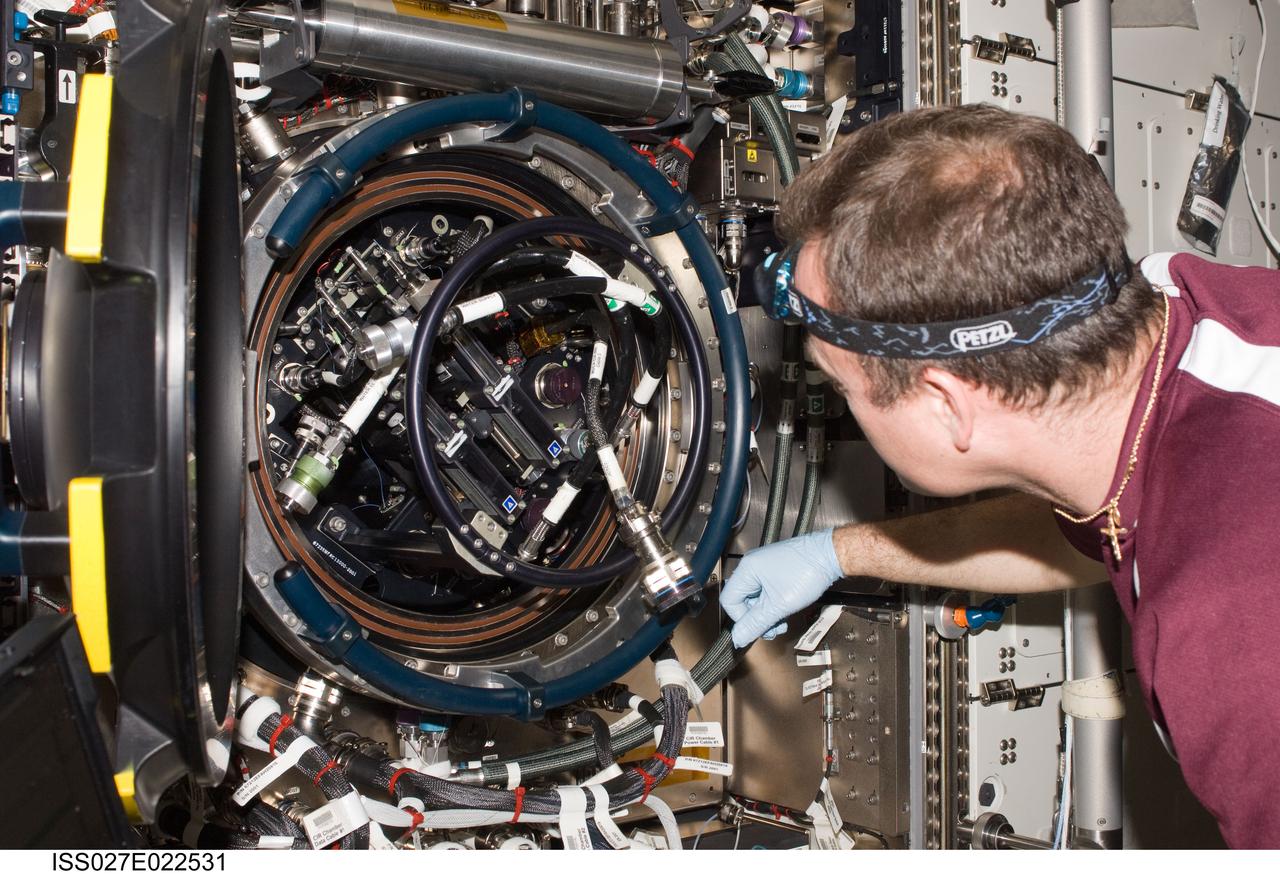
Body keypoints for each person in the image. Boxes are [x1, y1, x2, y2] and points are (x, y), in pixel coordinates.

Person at [719, 104, 1280, 848]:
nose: (842, 404)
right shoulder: (1171, 303)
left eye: (841, 388)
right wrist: (838, 553)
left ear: (949, 404)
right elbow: (1090, 523)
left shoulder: (1237, 643)